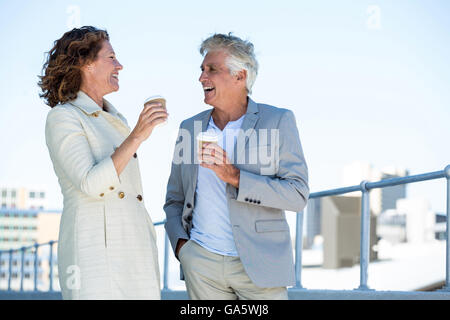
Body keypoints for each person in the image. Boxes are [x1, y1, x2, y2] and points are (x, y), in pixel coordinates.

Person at [164, 33, 309, 300]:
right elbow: (174, 199)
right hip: (202, 263)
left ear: (239, 76)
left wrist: (235, 177)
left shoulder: (277, 121)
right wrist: (183, 248)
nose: (201, 77)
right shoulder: (190, 128)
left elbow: (297, 194)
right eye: (202, 69)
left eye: (212, 70)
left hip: (260, 267)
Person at [39, 26, 167, 299]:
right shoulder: (64, 117)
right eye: (111, 57)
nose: (119, 65)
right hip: (95, 256)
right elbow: (91, 183)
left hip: (135, 249)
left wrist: (134, 134)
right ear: (85, 63)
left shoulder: (115, 119)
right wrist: (137, 136)